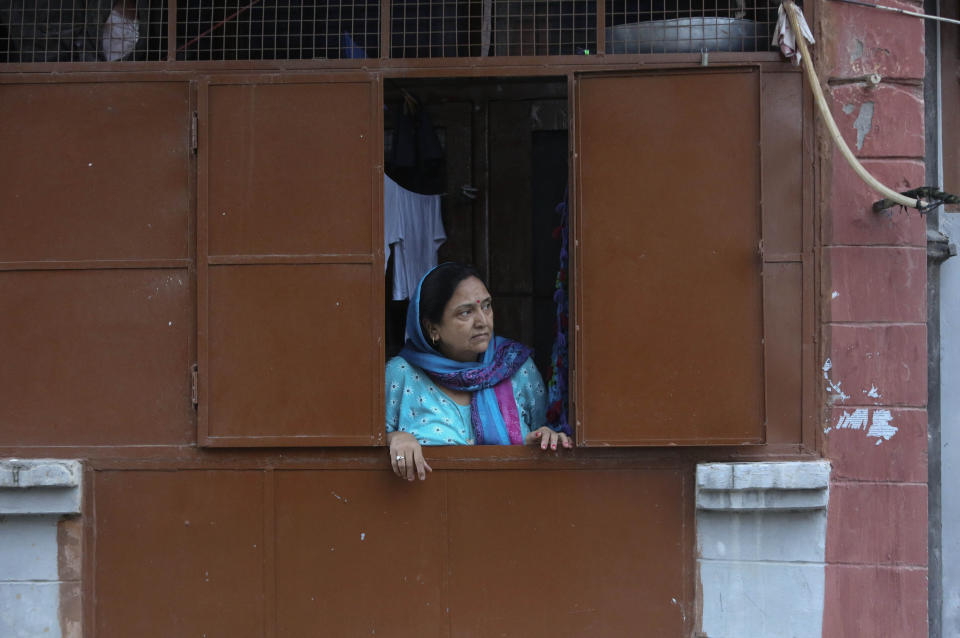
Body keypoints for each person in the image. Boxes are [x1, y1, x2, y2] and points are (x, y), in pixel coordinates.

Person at [385, 263, 571, 481]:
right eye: (465, 312)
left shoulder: (516, 367)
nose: (483, 321)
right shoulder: (401, 374)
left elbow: (546, 431)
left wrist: (545, 439)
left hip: (512, 505)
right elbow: (367, 444)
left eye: (487, 306)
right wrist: (395, 438)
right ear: (432, 328)